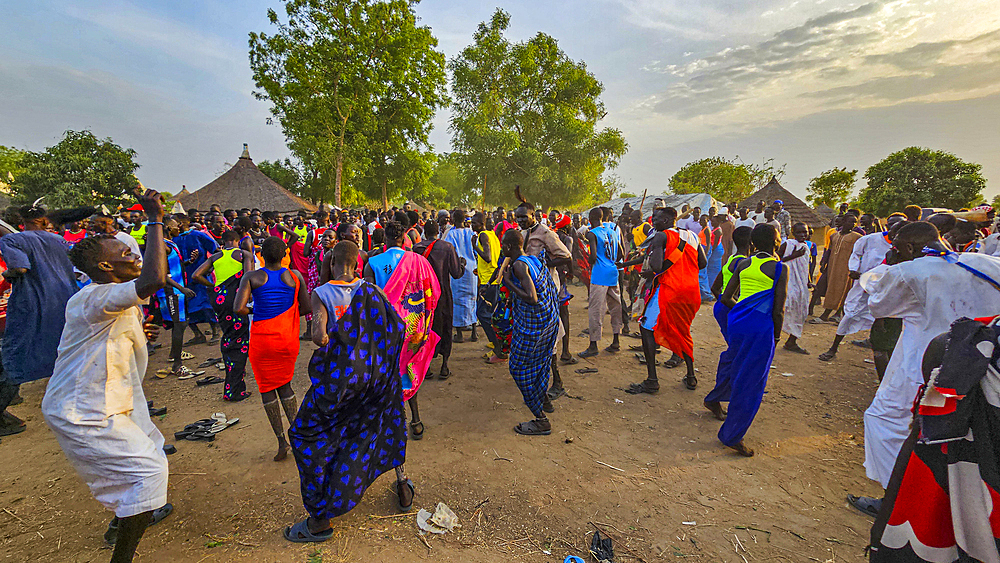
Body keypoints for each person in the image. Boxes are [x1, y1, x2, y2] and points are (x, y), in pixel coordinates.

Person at [42, 188, 173, 563]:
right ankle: (123, 555)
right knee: (148, 472)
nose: (133, 254)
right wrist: (154, 219)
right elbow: (152, 281)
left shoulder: (112, 296)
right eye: (124, 253)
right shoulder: (93, 297)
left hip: (115, 398)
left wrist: (137, 334)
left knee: (151, 450)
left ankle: (125, 515)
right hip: (83, 408)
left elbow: (129, 311)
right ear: (104, 267)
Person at [847, 222, 1000, 517]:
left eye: (896, 247)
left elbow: (879, 305)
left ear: (907, 248)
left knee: (885, 420)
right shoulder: (987, 263)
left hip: (923, 368)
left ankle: (898, 500)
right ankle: (953, 510)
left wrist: (891, 268)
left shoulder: (911, 272)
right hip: (979, 367)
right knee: (964, 435)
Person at [283, 240, 414, 542]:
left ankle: (319, 520)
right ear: (357, 264)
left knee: (307, 434)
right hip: (373, 379)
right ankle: (403, 484)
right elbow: (397, 326)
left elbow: (318, 337)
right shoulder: (372, 291)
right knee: (377, 424)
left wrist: (340, 340)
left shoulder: (321, 293)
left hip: (340, 384)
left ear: (331, 264)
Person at [706, 224, 787, 457]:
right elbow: (778, 311)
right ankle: (732, 435)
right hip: (760, 328)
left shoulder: (743, 263)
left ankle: (716, 401)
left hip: (737, 323)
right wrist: (776, 335)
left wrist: (742, 312)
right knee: (751, 381)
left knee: (736, 364)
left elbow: (726, 296)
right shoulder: (779, 269)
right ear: (774, 242)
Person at [0, 201, 79, 438]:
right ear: (45, 221)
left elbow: (20, 268)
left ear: (21, 221)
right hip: (66, 300)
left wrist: (7, 274)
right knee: (67, 351)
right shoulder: (59, 240)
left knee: (14, 356)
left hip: (33, 303)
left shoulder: (12, 240)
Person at [234, 237, 310, 461]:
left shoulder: (251, 277)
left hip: (262, 339)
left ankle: (280, 441)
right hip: (287, 339)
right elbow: (305, 307)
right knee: (285, 385)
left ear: (261, 256)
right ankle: (299, 438)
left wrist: (255, 310)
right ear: (285, 253)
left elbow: (238, 308)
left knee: (267, 388)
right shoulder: (295, 276)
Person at [363, 220, 440, 440]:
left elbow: (370, 299)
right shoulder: (419, 261)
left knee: (386, 374)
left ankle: (389, 425)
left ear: (385, 239)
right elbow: (434, 292)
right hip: (414, 328)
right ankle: (415, 420)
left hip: (385, 329)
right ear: (403, 238)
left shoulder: (373, 263)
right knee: (408, 370)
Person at [625, 207, 707, 393]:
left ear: (670, 219)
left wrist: (653, 264)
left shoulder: (661, 236)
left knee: (646, 327)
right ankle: (691, 376)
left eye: (658, 218)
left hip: (669, 290)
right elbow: (702, 264)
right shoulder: (692, 236)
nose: (654, 220)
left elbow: (656, 266)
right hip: (691, 291)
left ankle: (652, 380)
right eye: (653, 217)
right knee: (683, 330)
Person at [500, 229, 559, 435]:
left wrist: (508, 284)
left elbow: (532, 297)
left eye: (503, 245)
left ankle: (540, 419)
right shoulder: (533, 259)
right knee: (539, 362)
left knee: (518, 367)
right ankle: (544, 399)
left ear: (508, 247)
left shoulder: (518, 265)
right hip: (548, 321)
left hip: (533, 326)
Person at [818, 216, 899, 362]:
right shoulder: (870, 239)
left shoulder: (904, 246)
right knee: (850, 314)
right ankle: (833, 348)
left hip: (887, 290)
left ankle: (880, 353)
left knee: (883, 322)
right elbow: (856, 254)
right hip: (862, 285)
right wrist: (854, 269)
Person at [514, 202, 573, 399]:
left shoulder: (546, 233)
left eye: (524, 217)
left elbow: (566, 256)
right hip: (530, 289)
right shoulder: (521, 233)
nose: (520, 220)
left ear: (534, 216)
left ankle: (557, 382)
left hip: (546, 288)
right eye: (518, 217)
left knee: (550, 335)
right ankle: (541, 379)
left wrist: (541, 264)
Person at [192, 229, 254, 401]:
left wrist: (214, 287)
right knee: (240, 342)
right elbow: (248, 277)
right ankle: (235, 391)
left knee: (228, 338)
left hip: (220, 300)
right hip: (237, 301)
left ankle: (231, 386)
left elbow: (196, 275)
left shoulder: (215, 257)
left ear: (224, 241)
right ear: (237, 240)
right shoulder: (244, 254)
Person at [703, 225, 752, 412]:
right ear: (751, 243)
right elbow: (723, 293)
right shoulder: (744, 264)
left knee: (735, 352)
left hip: (724, 308)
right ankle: (715, 397)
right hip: (731, 310)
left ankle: (719, 395)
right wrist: (739, 308)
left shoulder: (732, 259)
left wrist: (724, 305)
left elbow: (716, 288)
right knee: (734, 355)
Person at [414, 220, 464, 379]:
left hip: (423, 296)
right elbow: (456, 273)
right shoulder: (447, 247)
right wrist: (462, 263)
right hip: (443, 294)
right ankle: (444, 366)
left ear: (424, 232)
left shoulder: (417, 248)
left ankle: (426, 367)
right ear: (439, 232)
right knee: (446, 327)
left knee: (425, 328)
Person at [157, 217, 198, 378]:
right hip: (171, 292)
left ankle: (174, 355)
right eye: (175, 225)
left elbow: (174, 267)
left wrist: (189, 261)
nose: (179, 227)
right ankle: (177, 365)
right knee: (179, 324)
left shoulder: (171, 243)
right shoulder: (162, 246)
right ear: (167, 227)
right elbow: (161, 274)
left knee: (181, 324)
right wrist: (182, 288)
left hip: (177, 291)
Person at [579, 207, 622, 358]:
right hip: (612, 272)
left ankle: (593, 345)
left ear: (591, 218)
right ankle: (616, 340)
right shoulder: (612, 231)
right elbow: (621, 253)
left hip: (599, 275)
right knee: (615, 307)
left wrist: (587, 259)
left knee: (596, 310)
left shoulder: (592, 233)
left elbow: (593, 256)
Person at [172, 213, 220, 346]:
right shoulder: (173, 239)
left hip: (201, 278)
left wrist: (210, 266)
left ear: (180, 224)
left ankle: (216, 332)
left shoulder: (198, 235)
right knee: (186, 307)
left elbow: (216, 250)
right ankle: (198, 334)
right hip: (183, 279)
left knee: (206, 304)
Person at [813, 213, 862, 323]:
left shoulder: (857, 238)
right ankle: (837, 315)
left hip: (847, 268)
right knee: (832, 289)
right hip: (833, 267)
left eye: (855, 222)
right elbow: (829, 250)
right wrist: (824, 263)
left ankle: (827, 315)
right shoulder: (834, 235)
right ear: (844, 222)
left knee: (843, 290)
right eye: (850, 221)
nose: (853, 224)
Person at [443, 210, 478, 342]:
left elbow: (448, 251)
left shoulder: (451, 234)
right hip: (472, 268)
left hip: (458, 268)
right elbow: (476, 250)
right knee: (472, 298)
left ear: (453, 219)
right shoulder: (471, 233)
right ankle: (474, 331)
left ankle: (459, 334)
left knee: (457, 300)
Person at [778, 223, 812, 354]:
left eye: (805, 232)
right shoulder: (788, 244)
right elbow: (777, 259)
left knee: (801, 311)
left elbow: (805, 265)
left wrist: (808, 281)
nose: (802, 235)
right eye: (799, 232)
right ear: (793, 232)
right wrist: (794, 255)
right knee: (784, 308)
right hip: (788, 282)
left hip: (801, 284)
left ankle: (792, 341)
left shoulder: (806, 246)